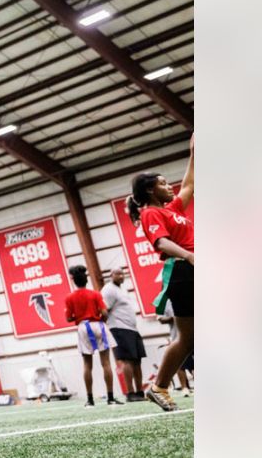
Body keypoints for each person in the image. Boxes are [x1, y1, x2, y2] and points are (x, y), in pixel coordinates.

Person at [128, 136, 194, 411]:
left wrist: (193, 152)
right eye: (164, 183)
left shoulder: (172, 209)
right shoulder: (151, 214)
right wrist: (190, 255)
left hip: (191, 269)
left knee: (188, 339)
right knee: (188, 338)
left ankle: (158, 387)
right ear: (151, 191)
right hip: (185, 271)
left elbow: (189, 184)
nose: (170, 186)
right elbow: (161, 243)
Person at [63, 266, 121, 406]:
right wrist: (102, 322)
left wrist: (79, 314)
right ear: (86, 280)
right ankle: (110, 398)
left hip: (83, 327)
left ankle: (90, 400)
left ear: (74, 281)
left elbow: (69, 319)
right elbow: (105, 312)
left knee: (87, 365)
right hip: (98, 325)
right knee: (106, 363)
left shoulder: (69, 297)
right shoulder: (95, 294)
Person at [101, 267, 146, 401]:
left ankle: (139, 392)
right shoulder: (108, 289)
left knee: (137, 360)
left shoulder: (122, 289)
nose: (121, 276)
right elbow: (103, 310)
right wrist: (106, 328)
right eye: (118, 274)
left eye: (123, 273)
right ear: (111, 275)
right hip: (119, 328)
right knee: (127, 360)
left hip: (132, 329)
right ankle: (130, 393)